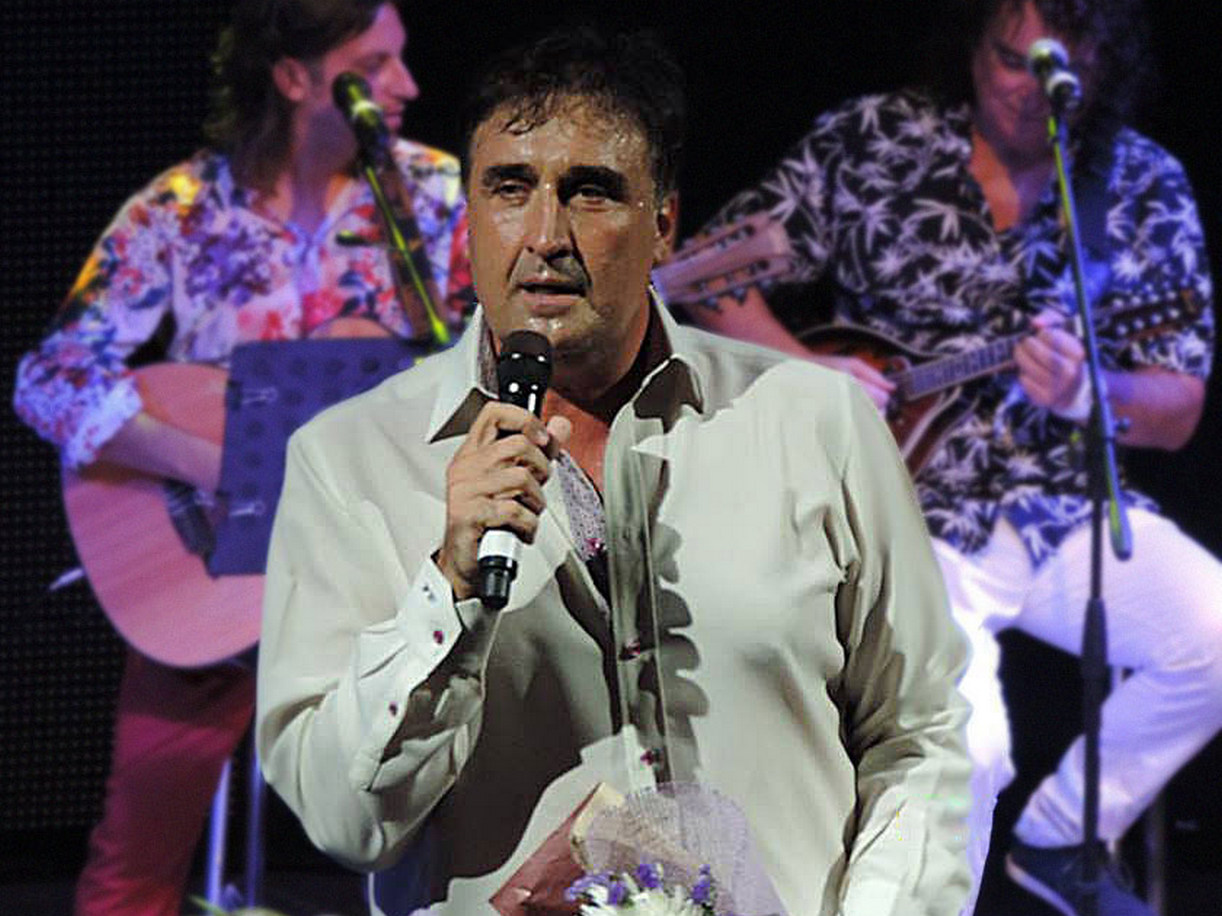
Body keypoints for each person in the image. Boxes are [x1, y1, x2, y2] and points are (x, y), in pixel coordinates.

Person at [256, 26, 973, 916]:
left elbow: (923, 733)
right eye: (509, 189)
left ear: (663, 223)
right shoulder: (349, 460)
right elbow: (344, 820)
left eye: (590, 191)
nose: (545, 236)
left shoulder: (816, 421)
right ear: (469, 216)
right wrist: (448, 587)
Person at [687, 1, 1222, 914]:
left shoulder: (1140, 183)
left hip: (1059, 505)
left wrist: (1088, 391)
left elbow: (1178, 407)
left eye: (1054, 72)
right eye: (1009, 60)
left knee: (1212, 634)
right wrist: (807, 370)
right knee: (966, 748)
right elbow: (707, 272)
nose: (1025, 91)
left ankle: (1063, 836)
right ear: (973, 47)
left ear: (1100, 69)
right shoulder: (877, 141)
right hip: (904, 507)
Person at [12, 1, 472, 913]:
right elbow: (51, 377)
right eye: (375, 65)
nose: (408, 86)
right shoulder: (184, 208)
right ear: (295, 76)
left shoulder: (433, 197)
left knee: (451, 840)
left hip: (383, 577)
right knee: (133, 863)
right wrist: (213, 465)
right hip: (215, 583)